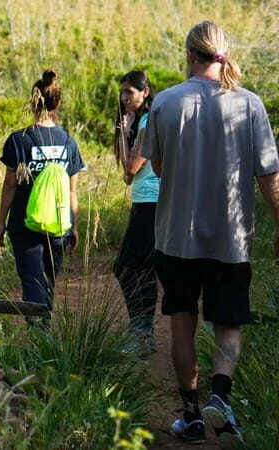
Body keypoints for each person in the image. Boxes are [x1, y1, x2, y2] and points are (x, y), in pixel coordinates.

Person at [142, 21, 279, 447]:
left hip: (177, 237)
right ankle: (221, 396)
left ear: (189, 55)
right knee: (229, 322)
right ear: (223, 54)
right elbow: (269, 176)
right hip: (231, 238)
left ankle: (191, 414)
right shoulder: (250, 104)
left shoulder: (164, 103)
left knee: (182, 321)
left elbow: (158, 168)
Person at [0, 69, 85, 314]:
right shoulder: (69, 142)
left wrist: (1, 223)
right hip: (58, 226)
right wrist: (72, 226)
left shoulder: (18, 140)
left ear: (34, 102)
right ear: (58, 103)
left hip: (24, 225)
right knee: (48, 283)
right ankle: (44, 333)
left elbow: (10, 185)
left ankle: (39, 333)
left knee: (32, 282)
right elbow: (72, 190)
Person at [112, 70, 160, 355]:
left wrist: (127, 131)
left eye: (130, 92)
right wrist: (122, 131)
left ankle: (140, 332)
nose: (124, 98)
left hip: (151, 202)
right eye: (123, 92)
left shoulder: (148, 119)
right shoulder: (140, 121)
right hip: (146, 199)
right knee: (144, 268)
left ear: (145, 92)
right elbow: (126, 172)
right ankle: (144, 335)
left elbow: (130, 169)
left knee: (125, 267)